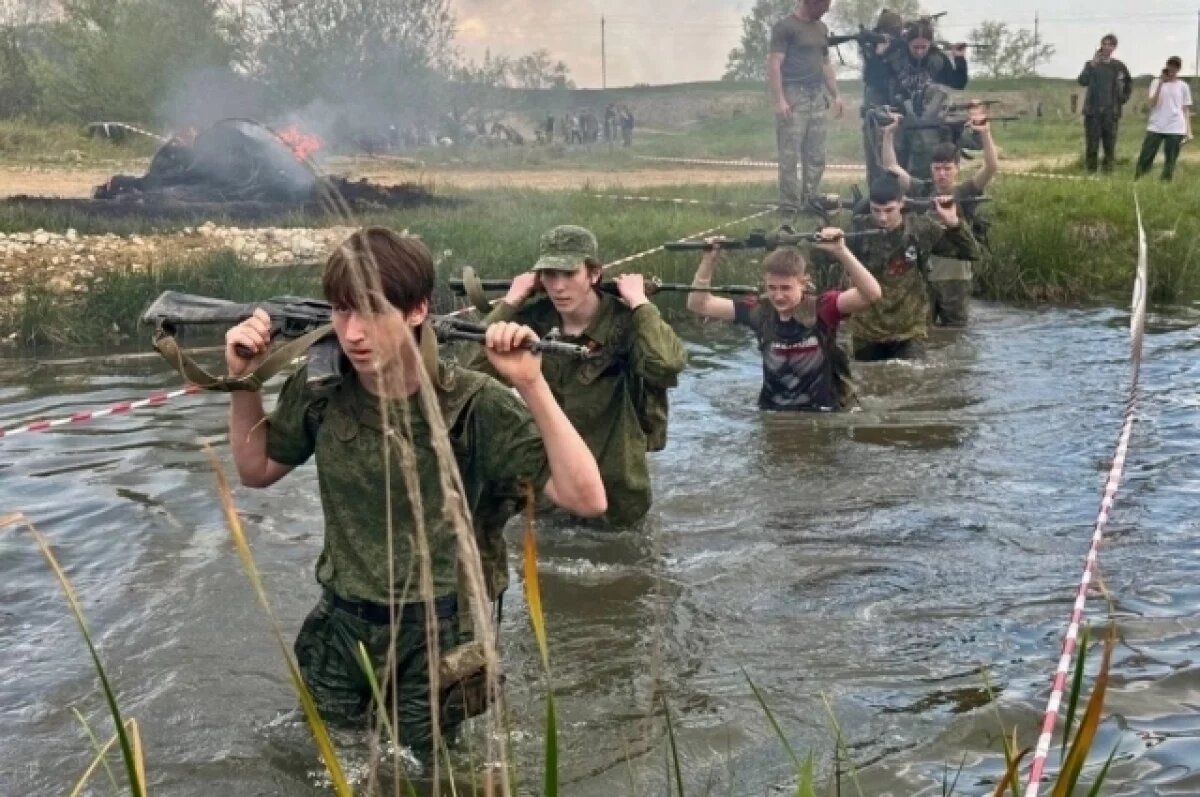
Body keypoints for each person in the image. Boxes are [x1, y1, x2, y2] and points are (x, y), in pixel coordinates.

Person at [222, 227, 606, 761]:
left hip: (439, 631)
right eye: (341, 311)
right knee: (321, 763)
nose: (353, 333)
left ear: (417, 310)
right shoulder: (321, 390)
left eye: (373, 312)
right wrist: (242, 381)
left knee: (430, 772)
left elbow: (587, 498)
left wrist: (530, 383)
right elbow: (256, 469)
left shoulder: (474, 405)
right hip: (341, 625)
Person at [464, 225, 687, 526]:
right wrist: (510, 303)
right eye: (550, 275)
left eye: (569, 274)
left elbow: (667, 364)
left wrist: (641, 303)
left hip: (616, 491)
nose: (558, 287)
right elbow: (472, 378)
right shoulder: (533, 320)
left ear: (594, 274)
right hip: (552, 490)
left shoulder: (626, 322)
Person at [685, 231, 881, 411]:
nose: (778, 296)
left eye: (786, 288)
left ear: (803, 283)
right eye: (772, 287)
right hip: (772, 412)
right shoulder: (757, 311)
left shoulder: (824, 308)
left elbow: (871, 294)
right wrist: (708, 261)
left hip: (822, 413)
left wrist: (841, 251)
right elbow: (699, 304)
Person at [880, 107, 997, 326]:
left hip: (957, 277)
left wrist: (985, 134)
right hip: (926, 276)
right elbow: (891, 167)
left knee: (957, 333)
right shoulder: (922, 190)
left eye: (947, 168)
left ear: (957, 169)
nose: (942, 174)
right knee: (925, 332)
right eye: (937, 168)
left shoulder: (965, 192)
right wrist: (888, 134)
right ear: (931, 169)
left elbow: (991, 167)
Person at [846, 176, 979, 361]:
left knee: (914, 380)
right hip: (867, 330)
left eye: (889, 210)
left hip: (909, 330)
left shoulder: (920, 229)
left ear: (901, 204)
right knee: (870, 384)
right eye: (876, 210)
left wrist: (954, 223)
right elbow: (821, 261)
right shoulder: (857, 230)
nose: (882, 218)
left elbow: (971, 253)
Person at [767, 0, 845, 218]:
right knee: (790, 156)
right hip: (794, 94)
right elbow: (774, 64)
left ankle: (810, 200)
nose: (827, 9)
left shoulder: (821, 29)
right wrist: (779, 100)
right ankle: (789, 208)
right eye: (825, 4)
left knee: (817, 154)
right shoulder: (785, 27)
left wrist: (836, 94)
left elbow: (825, 64)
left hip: (817, 95)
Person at [882, 20, 968, 179]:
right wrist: (879, 54)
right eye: (915, 47)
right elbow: (876, 80)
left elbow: (958, 83)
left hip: (929, 121)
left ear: (930, 44)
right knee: (900, 163)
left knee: (928, 159)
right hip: (902, 118)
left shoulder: (938, 59)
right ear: (908, 43)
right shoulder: (896, 57)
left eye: (924, 47)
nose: (920, 52)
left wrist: (959, 59)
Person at [860, 10, 905, 185]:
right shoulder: (872, 48)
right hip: (876, 114)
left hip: (898, 111)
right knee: (876, 161)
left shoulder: (901, 48)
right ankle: (877, 201)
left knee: (898, 158)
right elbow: (871, 78)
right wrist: (880, 54)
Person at [1077, 34, 1133, 174]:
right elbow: (1082, 81)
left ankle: (1107, 174)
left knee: (1109, 146)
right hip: (1093, 112)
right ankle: (1091, 173)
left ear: (1114, 47)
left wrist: (1123, 98)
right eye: (1105, 44)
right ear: (1101, 45)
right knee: (1092, 146)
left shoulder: (1119, 67)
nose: (1107, 47)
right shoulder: (1091, 64)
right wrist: (1092, 65)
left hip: (1111, 112)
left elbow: (1128, 83)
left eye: (1110, 44)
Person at [1135, 56, 1193, 181]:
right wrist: (1161, 83)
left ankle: (1165, 182)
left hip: (1176, 126)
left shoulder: (1183, 86)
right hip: (1156, 125)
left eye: (1175, 66)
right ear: (1166, 66)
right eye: (1170, 65)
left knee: (1171, 157)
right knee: (1146, 155)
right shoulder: (1156, 82)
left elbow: (1185, 109)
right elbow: (1152, 103)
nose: (1172, 68)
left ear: (1178, 69)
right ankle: (1139, 179)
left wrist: (1188, 131)